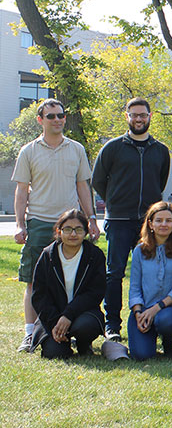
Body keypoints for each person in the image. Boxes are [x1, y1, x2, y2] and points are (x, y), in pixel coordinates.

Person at [12, 99, 99, 352]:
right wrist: (20, 224)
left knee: (74, 280)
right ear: (40, 120)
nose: (57, 120)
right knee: (32, 281)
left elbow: (83, 186)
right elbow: (21, 190)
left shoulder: (76, 149)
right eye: (51, 116)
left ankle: (74, 327)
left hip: (71, 225)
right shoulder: (28, 151)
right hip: (39, 222)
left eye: (61, 115)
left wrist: (91, 219)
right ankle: (30, 334)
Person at [92, 97, 172, 342]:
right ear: (126, 117)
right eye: (134, 115)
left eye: (143, 115)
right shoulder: (112, 148)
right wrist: (115, 201)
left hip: (149, 222)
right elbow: (98, 181)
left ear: (149, 117)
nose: (139, 119)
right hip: (118, 220)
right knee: (114, 273)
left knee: (155, 272)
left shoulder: (160, 150)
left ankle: (154, 322)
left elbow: (160, 181)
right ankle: (112, 324)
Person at [29, 209, 106, 358]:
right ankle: (61, 339)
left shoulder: (94, 255)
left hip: (82, 313)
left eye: (78, 229)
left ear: (86, 232)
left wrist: (68, 315)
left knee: (84, 327)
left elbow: (95, 293)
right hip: (53, 316)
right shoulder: (47, 255)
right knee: (54, 354)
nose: (73, 234)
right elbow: (40, 295)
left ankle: (84, 344)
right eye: (68, 229)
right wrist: (54, 323)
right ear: (59, 231)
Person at [127, 201, 172, 360]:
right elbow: (134, 287)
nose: (164, 224)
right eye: (159, 220)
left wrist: (156, 309)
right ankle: (149, 336)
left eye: (168, 220)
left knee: (166, 322)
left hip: (170, 310)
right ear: (150, 224)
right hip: (143, 309)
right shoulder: (139, 250)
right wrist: (138, 313)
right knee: (141, 355)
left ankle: (168, 339)